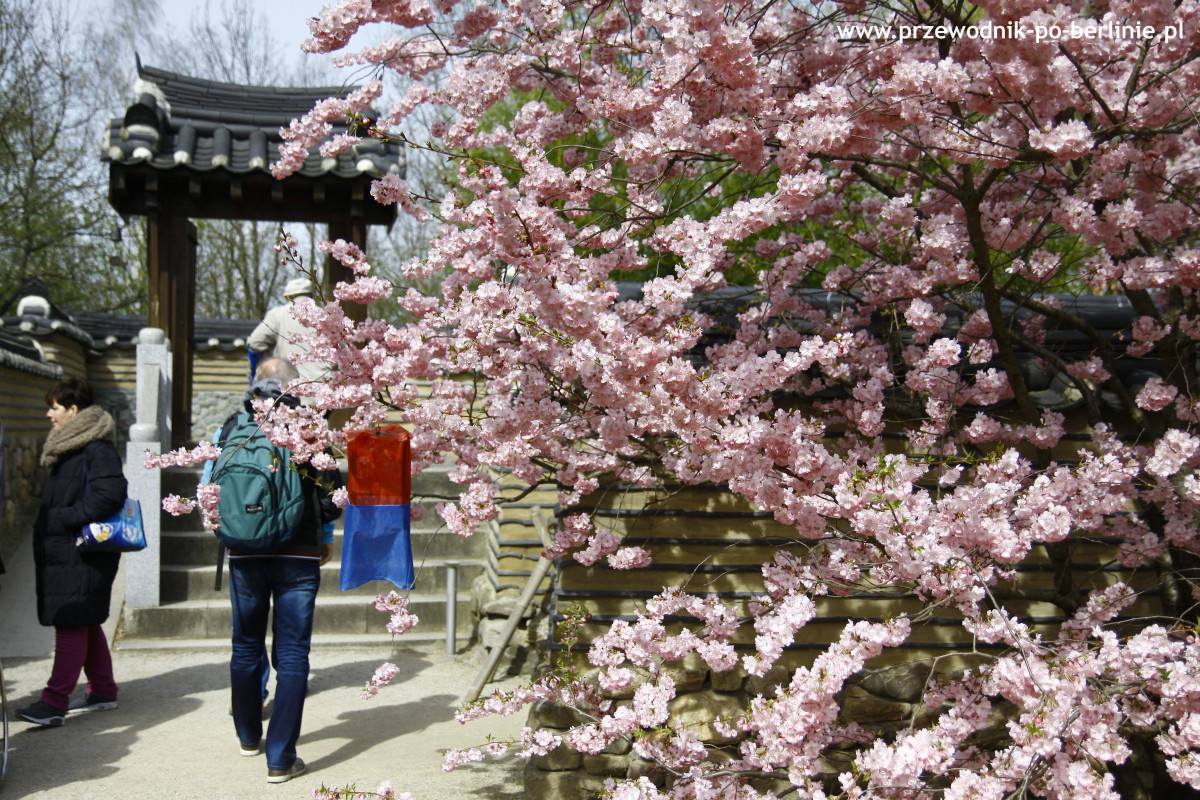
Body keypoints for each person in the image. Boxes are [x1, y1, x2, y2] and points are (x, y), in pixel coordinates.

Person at [219, 358, 341, 783]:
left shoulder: (234, 425)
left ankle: (248, 736)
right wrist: (324, 534)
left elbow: (210, 488)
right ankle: (280, 758)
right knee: (291, 652)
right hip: (298, 551)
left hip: (245, 550)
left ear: (256, 385)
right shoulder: (310, 426)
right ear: (296, 387)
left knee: (245, 643)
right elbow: (330, 492)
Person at [18, 377, 124, 727]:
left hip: (83, 550)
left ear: (74, 411)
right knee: (84, 617)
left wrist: (60, 519)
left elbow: (110, 496)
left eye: (55, 407)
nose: (49, 414)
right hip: (69, 549)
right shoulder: (73, 446)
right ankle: (102, 690)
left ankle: (54, 702)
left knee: (71, 618)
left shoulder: (95, 448)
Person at [246, 277, 328, 393]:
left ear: (288, 297)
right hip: (323, 391)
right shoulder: (325, 315)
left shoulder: (278, 314)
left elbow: (255, 342)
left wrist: (258, 370)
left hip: (289, 389)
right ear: (311, 295)